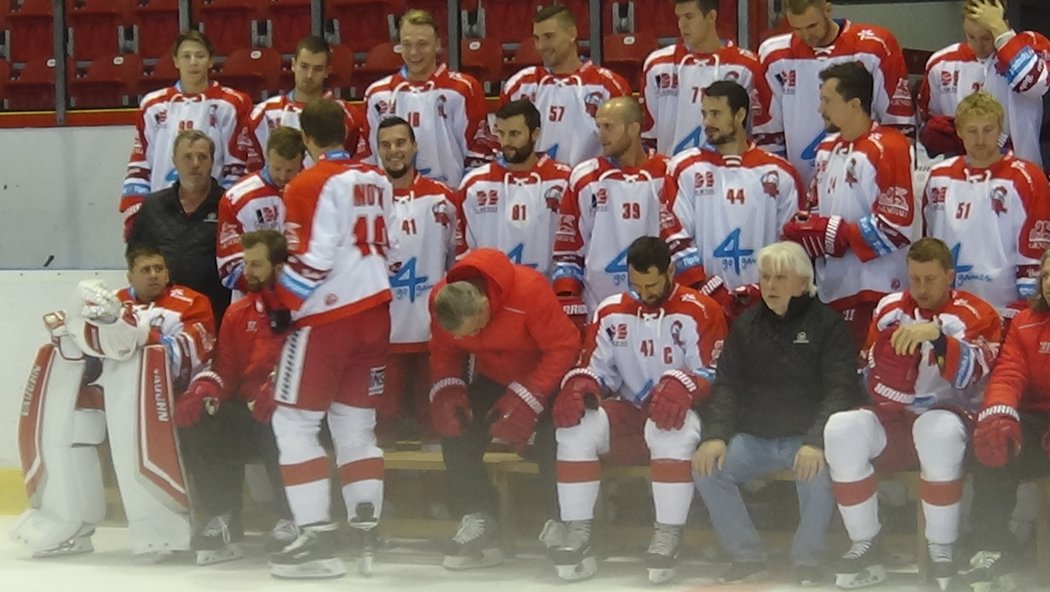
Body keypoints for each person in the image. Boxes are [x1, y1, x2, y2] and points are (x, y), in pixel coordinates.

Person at [13, 246, 214, 561]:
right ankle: (70, 522)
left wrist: (137, 333)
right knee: (74, 422)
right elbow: (90, 358)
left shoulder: (191, 302)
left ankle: (163, 527)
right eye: (145, 269)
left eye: (159, 268)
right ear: (130, 274)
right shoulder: (114, 300)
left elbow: (190, 356)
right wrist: (71, 335)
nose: (153, 275)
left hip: (168, 394)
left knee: (131, 417)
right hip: (116, 392)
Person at [823, 238, 1001, 591]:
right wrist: (883, 379)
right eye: (914, 278)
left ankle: (941, 549)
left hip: (951, 416)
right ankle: (866, 544)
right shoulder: (889, 308)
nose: (920, 288)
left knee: (937, 432)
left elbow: (976, 374)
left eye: (930, 279)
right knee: (841, 428)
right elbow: (867, 370)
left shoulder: (978, 313)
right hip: (895, 417)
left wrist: (937, 339)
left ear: (949, 276)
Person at [550, 236, 727, 584]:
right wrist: (582, 384)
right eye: (637, 284)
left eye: (652, 283)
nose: (644, 293)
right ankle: (578, 531)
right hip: (630, 414)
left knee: (670, 424)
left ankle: (667, 534)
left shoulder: (702, 309)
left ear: (671, 270)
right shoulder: (610, 311)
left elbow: (716, 372)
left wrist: (686, 384)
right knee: (575, 425)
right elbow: (596, 370)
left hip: (685, 420)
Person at [267, 98, 394, 579]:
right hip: (377, 312)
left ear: (306, 139)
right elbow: (390, 249)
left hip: (328, 318)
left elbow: (312, 260)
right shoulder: (378, 178)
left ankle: (317, 536)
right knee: (356, 427)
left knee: (294, 423)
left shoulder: (307, 182)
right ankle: (366, 531)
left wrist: (280, 306)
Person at [693, 241, 860, 586]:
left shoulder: (828, 326)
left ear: (803, 282)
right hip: (756, 437)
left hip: (806, 438)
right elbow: (727, 385)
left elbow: (840, 389)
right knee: (707, 470)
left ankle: (807, 560)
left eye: (780, 278)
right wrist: (715, 437)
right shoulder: (745, 325)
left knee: (818, 477)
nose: (769, 286)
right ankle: (746, 555)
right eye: (765, 277)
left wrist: (816, 441)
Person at [428, 248, 580, 570]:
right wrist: (448, 389)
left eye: (471, 329)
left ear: (484, 304)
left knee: (555, 441)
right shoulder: (441, 299)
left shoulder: (530, 291)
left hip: (546, 379)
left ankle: (562, 521)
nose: (466, 338)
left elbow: (564, 346)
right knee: (455, 430)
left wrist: (530, 395)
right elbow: (443, 352)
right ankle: (480, 516)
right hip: (495, 380)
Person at [173, 230, 297, 565]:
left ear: (279, 267)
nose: (249, 272)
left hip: (296, 413)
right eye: (246, 264)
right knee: (200, 421)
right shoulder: (237, 312)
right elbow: (225, 369)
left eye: (257, 264)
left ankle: (293, 517)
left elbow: (316, 363)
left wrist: (281, 390)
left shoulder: (303, 309)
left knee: (283, 421)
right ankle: (222, 516)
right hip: (250, 411)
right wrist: (206, 389)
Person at [781, 62, 915, 348]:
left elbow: (897, 227)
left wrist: (834, 233)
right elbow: (814, 210)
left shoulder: (890, 147)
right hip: (832, 291)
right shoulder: (826, 149)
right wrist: (803, 228)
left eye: (827, 100)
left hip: (878, 291)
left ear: (854, 104)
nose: (820, 109)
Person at [552, 97, 705, 316]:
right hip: (599, 307)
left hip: (660, 307)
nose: (600, 134)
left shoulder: (668, 172)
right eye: (598, 126)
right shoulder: (583, 177)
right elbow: (568, 246)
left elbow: (679, 240)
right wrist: (568, 296)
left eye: (608, 127)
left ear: (634, 129)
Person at [664, 80, 802, 319]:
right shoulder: (684, 167)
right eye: (704, 114)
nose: (707, 122)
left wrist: (765, 289)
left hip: (767, 307)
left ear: (740, 115)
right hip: (703, 304)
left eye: (716, 114)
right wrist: (706, 288)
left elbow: (792, 243)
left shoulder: (780, 172)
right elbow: (673, 233)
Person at [922, 91, 1050, 323]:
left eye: (988, 130)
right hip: (945, 313)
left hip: (1003, 312)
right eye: (972, 131)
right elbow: (928, 244)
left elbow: (1036, 256)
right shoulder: (938, 176)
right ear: (959, 131)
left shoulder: (1027, 178)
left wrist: (1023, 313)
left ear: (1000, 128)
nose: (980, 139)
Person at [756, 0, 915, 184]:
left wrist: (891, 179)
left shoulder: (875, 47)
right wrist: (783, 184)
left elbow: (898, 125)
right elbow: (769, 132)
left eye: (812, 25)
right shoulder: (773, 54)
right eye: (796, 28)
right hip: (801, 185)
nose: (806, 35)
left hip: (864, 179)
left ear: (827, 8)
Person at [966, 248, 1050, 590]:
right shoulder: (1025, 323)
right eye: (1046, 275)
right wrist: (998, 412)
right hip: (1037, 421)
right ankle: (992, 548)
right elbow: (1008, 374)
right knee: (994, 440)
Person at [375, 116, 458, 448]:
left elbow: (457, 259)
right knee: (382, 429)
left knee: (435, 425)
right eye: (386, 145)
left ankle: (438, 501)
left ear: (414, 146)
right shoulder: (367, 201)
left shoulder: (443, 198)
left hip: (431, 334)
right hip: (383, 334)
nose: (394, 151)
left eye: (400, 143)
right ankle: (384, 501)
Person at [121, 30, 252, 237]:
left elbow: (237, 165)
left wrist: (226, 209)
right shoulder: (153, 104)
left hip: (210, 211)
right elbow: (140, 162)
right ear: (175, 61)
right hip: (162, 211)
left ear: (210, 61)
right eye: (186, 56)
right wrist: (135, 212)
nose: (193, 62)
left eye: (200, 56)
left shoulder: (232, 103)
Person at [359, 9, 493, 187]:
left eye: (422, 44)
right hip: (394, 201)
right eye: (406, 44)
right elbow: (369, 156)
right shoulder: (377, 94)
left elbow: (478, 152)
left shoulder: (463, 89)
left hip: (449, 200)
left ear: (437, 44)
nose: (414, 52)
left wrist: (466, 196)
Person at [918, 0, 1050, 164]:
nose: (978, 46)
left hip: (1021, 174)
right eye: (971, 37)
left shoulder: (1030, 46)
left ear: (1004, 24)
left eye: (987, 38)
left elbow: (1034, 83)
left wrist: (1000, 30)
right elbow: (928, 123)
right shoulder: (940, 64)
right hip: (963, 177)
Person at [501, 4, 630, 167]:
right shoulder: (519, 85)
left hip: (588, 186)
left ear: (572, 34)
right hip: (533, 188)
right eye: (536, 38)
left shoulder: (609, 86)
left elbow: (625, 148)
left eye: (549, 37)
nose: (541, 46)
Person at [455, 99, 572, 276]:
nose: (506, 142)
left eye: (514, 134)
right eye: (501, 133)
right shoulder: (474, 184)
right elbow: (462, 248)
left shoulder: (565, 181)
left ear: (535, 133)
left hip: (545, 292)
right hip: (491, 294)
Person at [641, 0, 772, 155]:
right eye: (679, 18)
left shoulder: (747, 66)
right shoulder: (657, 65)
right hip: (673, 174)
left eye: (689, 17)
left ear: (711, 16)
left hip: (729, 174)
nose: (682, 25)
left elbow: (761, 132)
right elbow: (647, 135)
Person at [127, 129, 232, 323]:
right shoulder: (153, 205)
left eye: (202, 157)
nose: (195, 164)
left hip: (214, 313)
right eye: (187, 157)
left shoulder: (229, 204)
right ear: (174, 161)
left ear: (212, 161)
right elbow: (135, 255)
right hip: (161, 315)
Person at [244, 36, 364, 171]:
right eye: (304, 66)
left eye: (317, 69)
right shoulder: (263, 114)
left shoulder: (347, 115)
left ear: (327, 72)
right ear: (293, 65)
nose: (309, 75)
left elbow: (356, 168)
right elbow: (255, 170)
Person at [217, 126, 305, 296]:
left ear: (302, 161)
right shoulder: (237, 198)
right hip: (252, 298)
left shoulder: (312, 192)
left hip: (302, 296)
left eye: (290, 171)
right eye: (277, 168)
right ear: (266, 156)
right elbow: (229, 270)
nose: (282, 176)